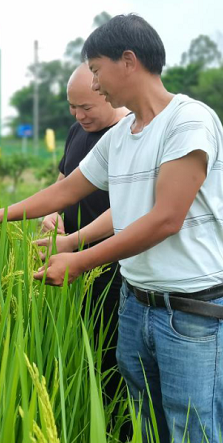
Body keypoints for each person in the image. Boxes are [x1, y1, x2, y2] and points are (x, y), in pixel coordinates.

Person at [0, 14, 223, 443]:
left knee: (193, 437)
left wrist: (77, 259)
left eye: (98, 70)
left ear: (128, 61)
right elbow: (68, 188)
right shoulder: (122, 134)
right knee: (147, 432)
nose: (96, 84)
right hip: (136, 305)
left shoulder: (188, 122)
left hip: (189, 314)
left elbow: (166, 219)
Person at [38, 63, 130, 421]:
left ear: (106, 93)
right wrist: (53, 215)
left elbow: (128, 209)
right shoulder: (77, 132)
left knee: (110, 353)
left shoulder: (129, 134)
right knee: (78, 344)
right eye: (72, 107)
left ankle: (114, 427)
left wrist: (75, 243)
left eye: (86, 107)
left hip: (110, 267)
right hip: (69, 264)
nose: (78, 115)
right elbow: (63, 186)